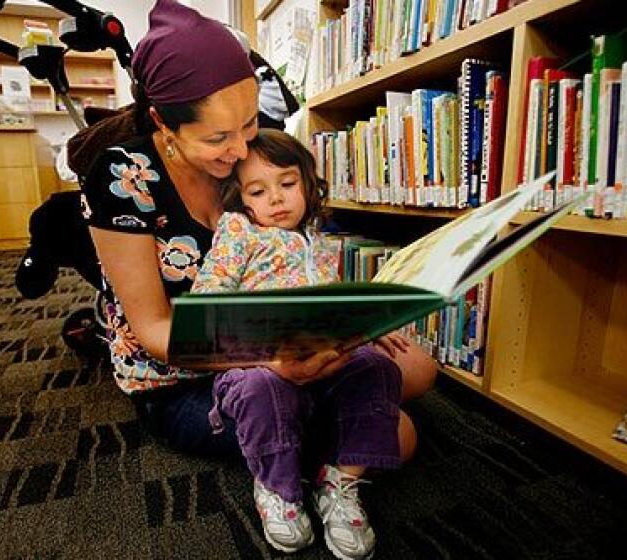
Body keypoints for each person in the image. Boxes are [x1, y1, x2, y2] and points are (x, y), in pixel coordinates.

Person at [80, 0, 436, 536]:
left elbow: (296, 256)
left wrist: (351, 319)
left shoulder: (251, 159)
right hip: (183, 376)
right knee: (399, 433)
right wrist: (271, 361)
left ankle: (328, 421)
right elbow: (154, 330)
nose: (242, 147)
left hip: (282, 339)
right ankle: (303, 467)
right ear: (162, 122)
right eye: (219, 138)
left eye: (249, 124)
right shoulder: (122, 176)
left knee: (416, 368)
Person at [191, 129, 407, 558]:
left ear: (307, 184)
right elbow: (205, 306)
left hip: (323, 364)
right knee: (261, 391)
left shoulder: (320, 242)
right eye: (258, 190)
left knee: (379, 367)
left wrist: (366, 321)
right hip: (260, 368)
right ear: (242, 200)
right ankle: (278, 490)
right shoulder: (240, 232)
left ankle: (340, 483)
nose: (275, 199)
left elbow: (333, 306)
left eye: (287, 184)